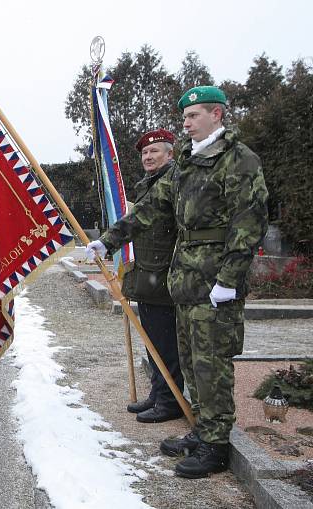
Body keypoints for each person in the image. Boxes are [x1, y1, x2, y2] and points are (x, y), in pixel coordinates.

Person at [87, 86, 268, 478]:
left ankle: (216, 445)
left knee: (211, 365)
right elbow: (151, 209)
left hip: (215, 279)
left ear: (216, 115)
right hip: (184, 280)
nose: (185, 123)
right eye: (184, 117)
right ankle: (202, 431)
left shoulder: (237, 160)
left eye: (194, 116)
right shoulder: (187, 162)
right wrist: (110, 239)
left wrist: (230, 279)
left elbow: (249, 222)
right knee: (189, 360)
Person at [118, 129, 184, 424]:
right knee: (153, 340)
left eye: (155, 151)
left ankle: (170, 400)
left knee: (165, 343)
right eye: (145, 153)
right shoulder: (150, 183)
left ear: (170, 154)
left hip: (164, 275)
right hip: (148, 275)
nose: (148, 156)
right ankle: (159, 393)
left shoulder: (173, 181)